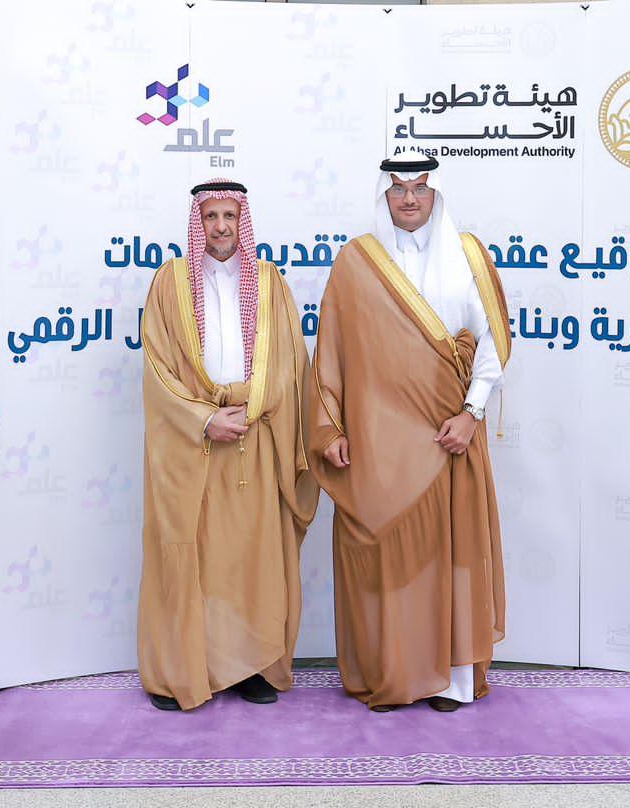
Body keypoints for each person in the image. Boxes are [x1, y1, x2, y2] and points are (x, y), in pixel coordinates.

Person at [308, 154, 511, 712]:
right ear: (384, 195)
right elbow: (330, 354)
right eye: (398, 189)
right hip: (378, 446)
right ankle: (395, 673)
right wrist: (331, 429)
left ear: (435, 193)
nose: (409, 199)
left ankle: (451, 680)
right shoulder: (356, 262)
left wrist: (471, 414)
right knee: (391, 559)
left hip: (450, 437)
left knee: (450, 555)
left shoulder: (467, 255)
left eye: (420, 188)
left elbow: (493, 343)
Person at [135, 179, 318, 711]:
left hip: (256, 439)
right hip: (191, 444)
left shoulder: (269, 283)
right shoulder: (169, 283)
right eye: (210, 217)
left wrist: (253, 409)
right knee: (192, 555)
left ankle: (251, 667)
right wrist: (205, 418)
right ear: (198, 223)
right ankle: (183, 671)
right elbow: (158, 368)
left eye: (229, 217)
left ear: (243, 222)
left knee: (250, 557)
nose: (220, 227)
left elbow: (290, 362)